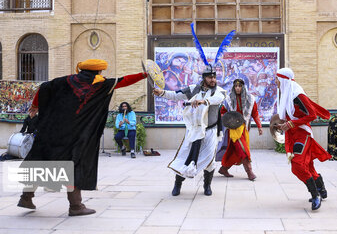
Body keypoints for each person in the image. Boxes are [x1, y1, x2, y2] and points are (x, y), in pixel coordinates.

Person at [17, 59, 147, 216]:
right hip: (74, 134)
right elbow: (124, 81)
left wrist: (35, 105)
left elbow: (44, 87)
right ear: (98, 71)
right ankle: (76, 206)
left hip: (52, 131)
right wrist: (144, 75)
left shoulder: (65, 80)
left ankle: (26, 197)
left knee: (42, 160)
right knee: (73, 164)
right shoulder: (100, 83)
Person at [153, 65, 226, 196]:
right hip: (194, 130)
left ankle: (207, 186)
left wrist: (204, 101)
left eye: (214, 77)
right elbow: (176, 95)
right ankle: (177, 184)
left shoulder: (219, 91)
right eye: (210, 77)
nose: (213, 80)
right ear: (204, 78)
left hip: (210, 131)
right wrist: (162, 93)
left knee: (210, 160)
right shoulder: (193, 89)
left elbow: (218, 99)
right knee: (184, 157)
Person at [275, 67, 332, 211]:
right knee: (307, 165)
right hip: (292, 133)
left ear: (283, 79)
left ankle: (315, 195)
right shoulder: (287, 93)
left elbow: (312, 115)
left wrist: (292, 123)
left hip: (302, 133)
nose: (275, 81)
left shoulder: (297, 94)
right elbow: (290, 117)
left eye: (277, 78)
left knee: (298, 165)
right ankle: (321, 188)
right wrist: (285, 125)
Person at [216, 79, 263, 180]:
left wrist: (259, 126)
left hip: (243, 129)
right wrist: (227, 119)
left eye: (239, 86)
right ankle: (249, 172)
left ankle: (224, 168)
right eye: (236, 86)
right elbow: (222, 112)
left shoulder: (250, 99)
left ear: (243, 87)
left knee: (233, 151)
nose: (237, 88)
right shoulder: (228, 99)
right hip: (232, 130)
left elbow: (255, 114)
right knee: (243, 150)